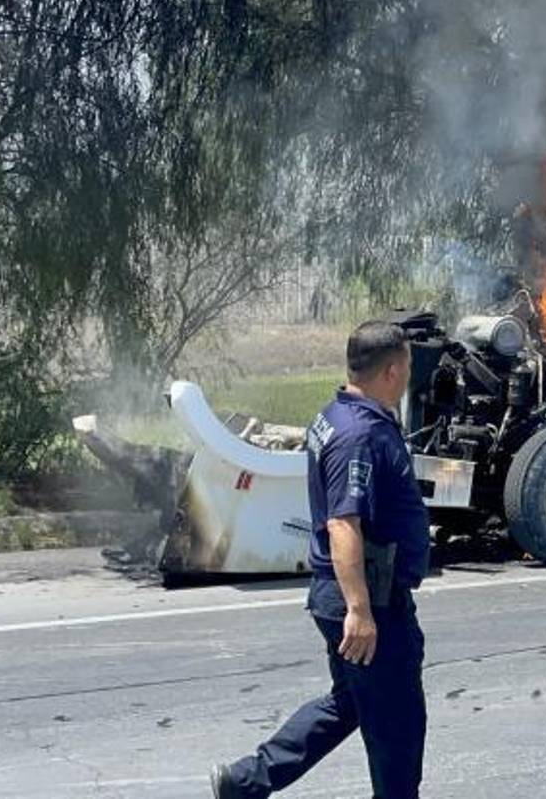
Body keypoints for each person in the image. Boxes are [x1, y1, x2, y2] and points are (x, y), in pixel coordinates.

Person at [212, 321, 431, 799]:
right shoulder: (358, 435)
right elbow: (343, 524)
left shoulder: (337, 414)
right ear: (393, 370)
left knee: (349, 703)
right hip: (369, 602)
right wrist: (360, 610)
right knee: (397, 726)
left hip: (345, 595)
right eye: (409, 366)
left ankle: (247, 780)